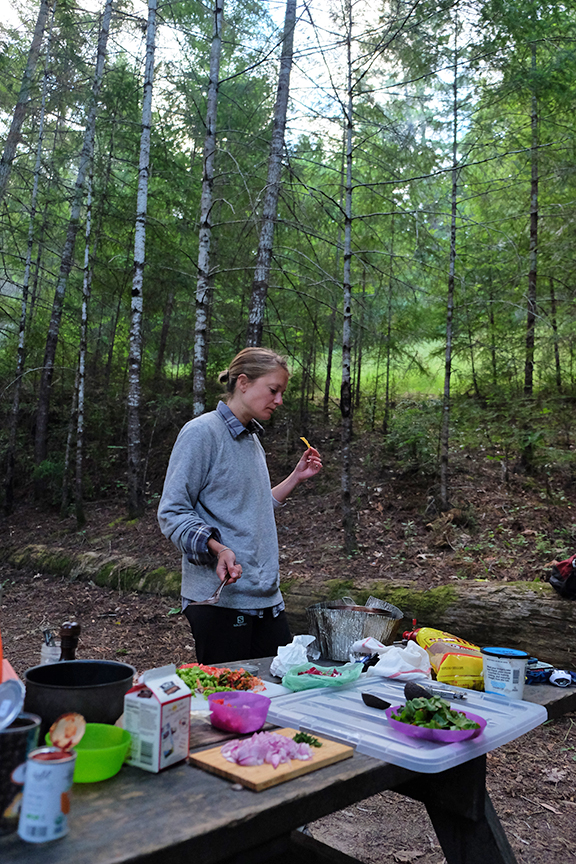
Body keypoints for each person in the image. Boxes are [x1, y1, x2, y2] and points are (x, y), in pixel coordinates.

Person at [158, 347, 322, 664]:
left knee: (278, 696)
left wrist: (294, 479)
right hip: (220, 602)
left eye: (281, 393)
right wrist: (218, 548)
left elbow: (251, 508)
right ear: (243, 382)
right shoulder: (201, 433)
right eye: (273, 390)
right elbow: (172, 512)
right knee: (229, 703)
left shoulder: (251, 439)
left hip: (266, 599)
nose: (279, 400)